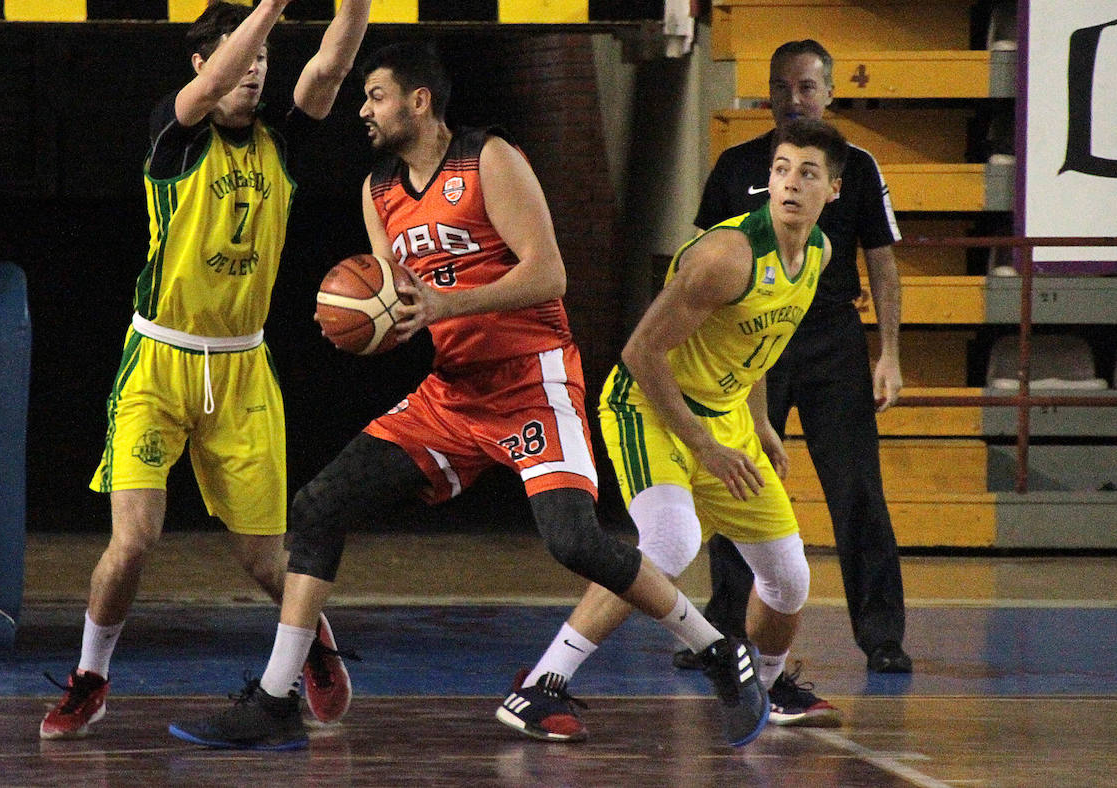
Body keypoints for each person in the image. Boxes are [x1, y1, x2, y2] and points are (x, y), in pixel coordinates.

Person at [167, 42, 769, 752]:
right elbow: (398, 299)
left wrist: (447, 304)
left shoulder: (489, 160)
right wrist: (365, 322)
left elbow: (550, 275)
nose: (363, 109)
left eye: (377, 95)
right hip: (453, 394)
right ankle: (275, 699)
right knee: (318, 506)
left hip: (533, 380)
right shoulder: (377, 190)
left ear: (419, 102)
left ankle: (714, 650)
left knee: (574, 539)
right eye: (363, 98)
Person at [39, 0, 385, 740]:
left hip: (241, 368)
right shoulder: (175, 133)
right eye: (244, 57)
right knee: (133, 543)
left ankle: (318, 650)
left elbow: (329, 74)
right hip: (157, 362)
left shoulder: (280, 144)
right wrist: (270, 3)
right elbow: (205, 87)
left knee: (268, 560)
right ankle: (91, 676)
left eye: (266, 58)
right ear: (206, 60)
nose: (258, 71)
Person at [499, 117, 848, 744]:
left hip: (727, 418)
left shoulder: (818, 253)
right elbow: (640, 353)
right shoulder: (726, 256)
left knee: (790, 577)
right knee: (670, 542)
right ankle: (541, 685)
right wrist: (703, 444)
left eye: (807, 173)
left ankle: (764, 691)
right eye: (780, 169)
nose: (790, 184)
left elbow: (761, 339)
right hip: (649, 408)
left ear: (834, 190)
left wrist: (760, 422)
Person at [679, 39, 912, 675]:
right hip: (754, 342)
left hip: (832, 341)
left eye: (807, 87)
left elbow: (883, 264)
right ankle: (723, 632)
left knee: (858, 487)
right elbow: (702, 262)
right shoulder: (736, 164)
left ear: (829, 93)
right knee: (738, 481)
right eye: (782, 87)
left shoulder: (856, 166)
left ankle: (882, 634)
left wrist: (888, 352)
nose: (793, 99)